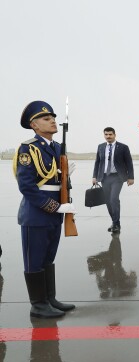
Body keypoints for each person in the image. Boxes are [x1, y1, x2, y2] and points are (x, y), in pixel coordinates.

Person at [14, 101, 77, 318]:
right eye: (45, 118)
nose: (52, 121)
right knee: (35, 259)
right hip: (36, 214)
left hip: (55, 214)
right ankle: (38, 305)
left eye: (53, 117)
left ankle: (50, 298)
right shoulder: (28, 148)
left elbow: (58, 180)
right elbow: (27, 187)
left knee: (48, 257)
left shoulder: (56, 147)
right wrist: (55, 207)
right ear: (34, 125)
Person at [92, 127, 134, 233]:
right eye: (106, 134)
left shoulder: (123, 147)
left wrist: (131, 177)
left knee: (114, 199)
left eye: (110, 134)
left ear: (115, 135)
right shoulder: (101, 147)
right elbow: (97, 162)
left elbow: (129, 162)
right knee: (108, 201)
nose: (108, 136)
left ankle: (115, 224)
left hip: (117, 177)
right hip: (104, 177)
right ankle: (116, 223)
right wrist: (94, 176)